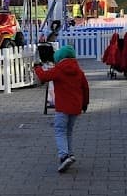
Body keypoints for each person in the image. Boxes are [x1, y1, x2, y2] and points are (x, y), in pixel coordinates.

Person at [33, 45, 89, 173]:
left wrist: (37, 68)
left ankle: (64, 156)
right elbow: (85, 88)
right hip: (76, 107)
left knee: (59, 131)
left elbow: (44, 77)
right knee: (68, 131)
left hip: (63, 106)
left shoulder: (59, 69)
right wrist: (85, 103)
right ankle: (70, 153)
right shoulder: (79, 71)